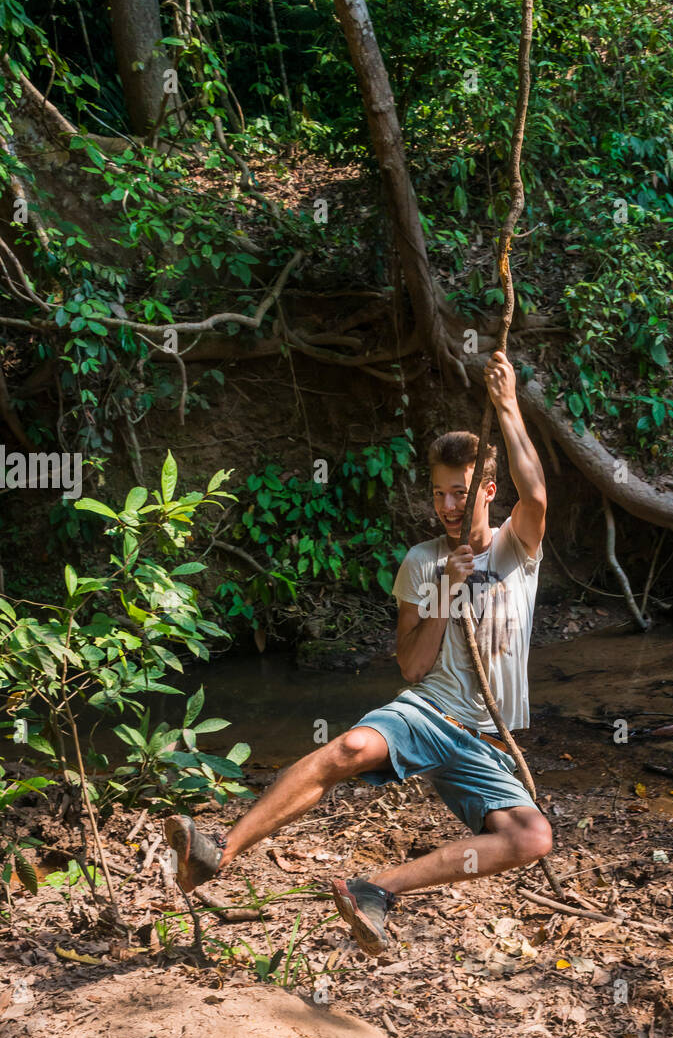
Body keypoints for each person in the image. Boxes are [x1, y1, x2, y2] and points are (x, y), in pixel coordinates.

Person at [164, 351, 551, 956]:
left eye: (460, 493)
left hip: (487, 739)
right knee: (350, 747)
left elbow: (538, 494)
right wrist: (446, 590)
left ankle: (374, 890)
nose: (447, 507)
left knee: (530, 838)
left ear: (486, 491)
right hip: (430, 711)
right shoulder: (422, 563)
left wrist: (507, 406)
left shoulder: (515, 548)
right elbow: (413, 667)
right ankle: (218, 851)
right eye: (438, 494)